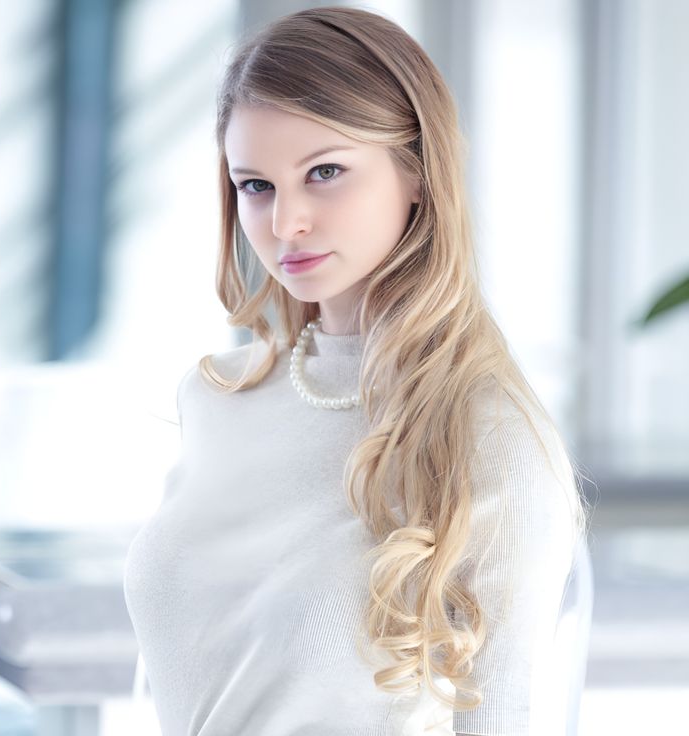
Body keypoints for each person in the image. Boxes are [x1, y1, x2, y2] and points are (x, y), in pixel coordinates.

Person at [123, 6, 591, 735]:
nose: (286, 224)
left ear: (416, 173)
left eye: (326, 172)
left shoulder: (488, 434)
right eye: (256, 186)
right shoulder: (216, 397)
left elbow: (509, 716)